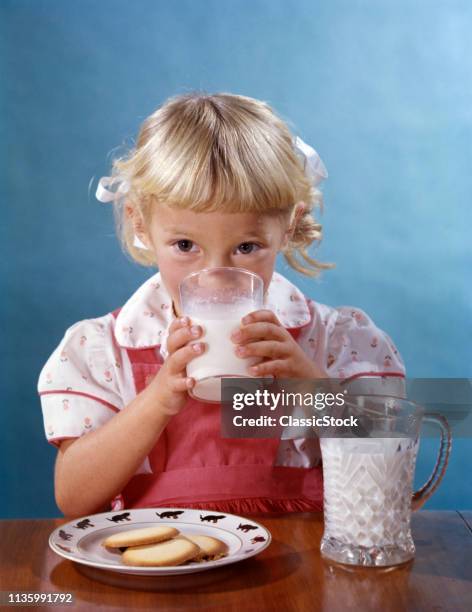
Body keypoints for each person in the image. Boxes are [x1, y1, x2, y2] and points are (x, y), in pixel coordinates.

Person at [38, 92, 406, 519]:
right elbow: (74, 498)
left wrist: (311, 386)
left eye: (246, 247)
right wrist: (156, 400)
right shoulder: (105, 350)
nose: (215, 275)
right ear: (141, 222)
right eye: (185, 245)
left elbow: (389, 479)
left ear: (287, 228)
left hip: (303, 568)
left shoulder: (334, 340)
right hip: (160, 571)